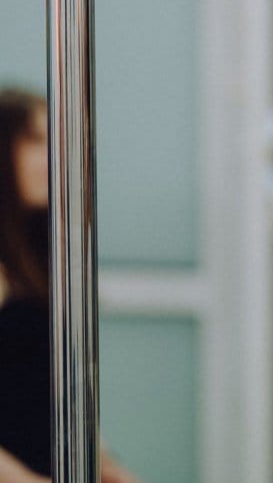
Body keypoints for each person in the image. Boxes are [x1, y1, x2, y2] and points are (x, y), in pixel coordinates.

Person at [0, 88, 141, 483]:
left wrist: (107, 466)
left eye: (56, 141)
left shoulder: (38, 259)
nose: (54, 157)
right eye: (36, 141)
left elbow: (54, 394)